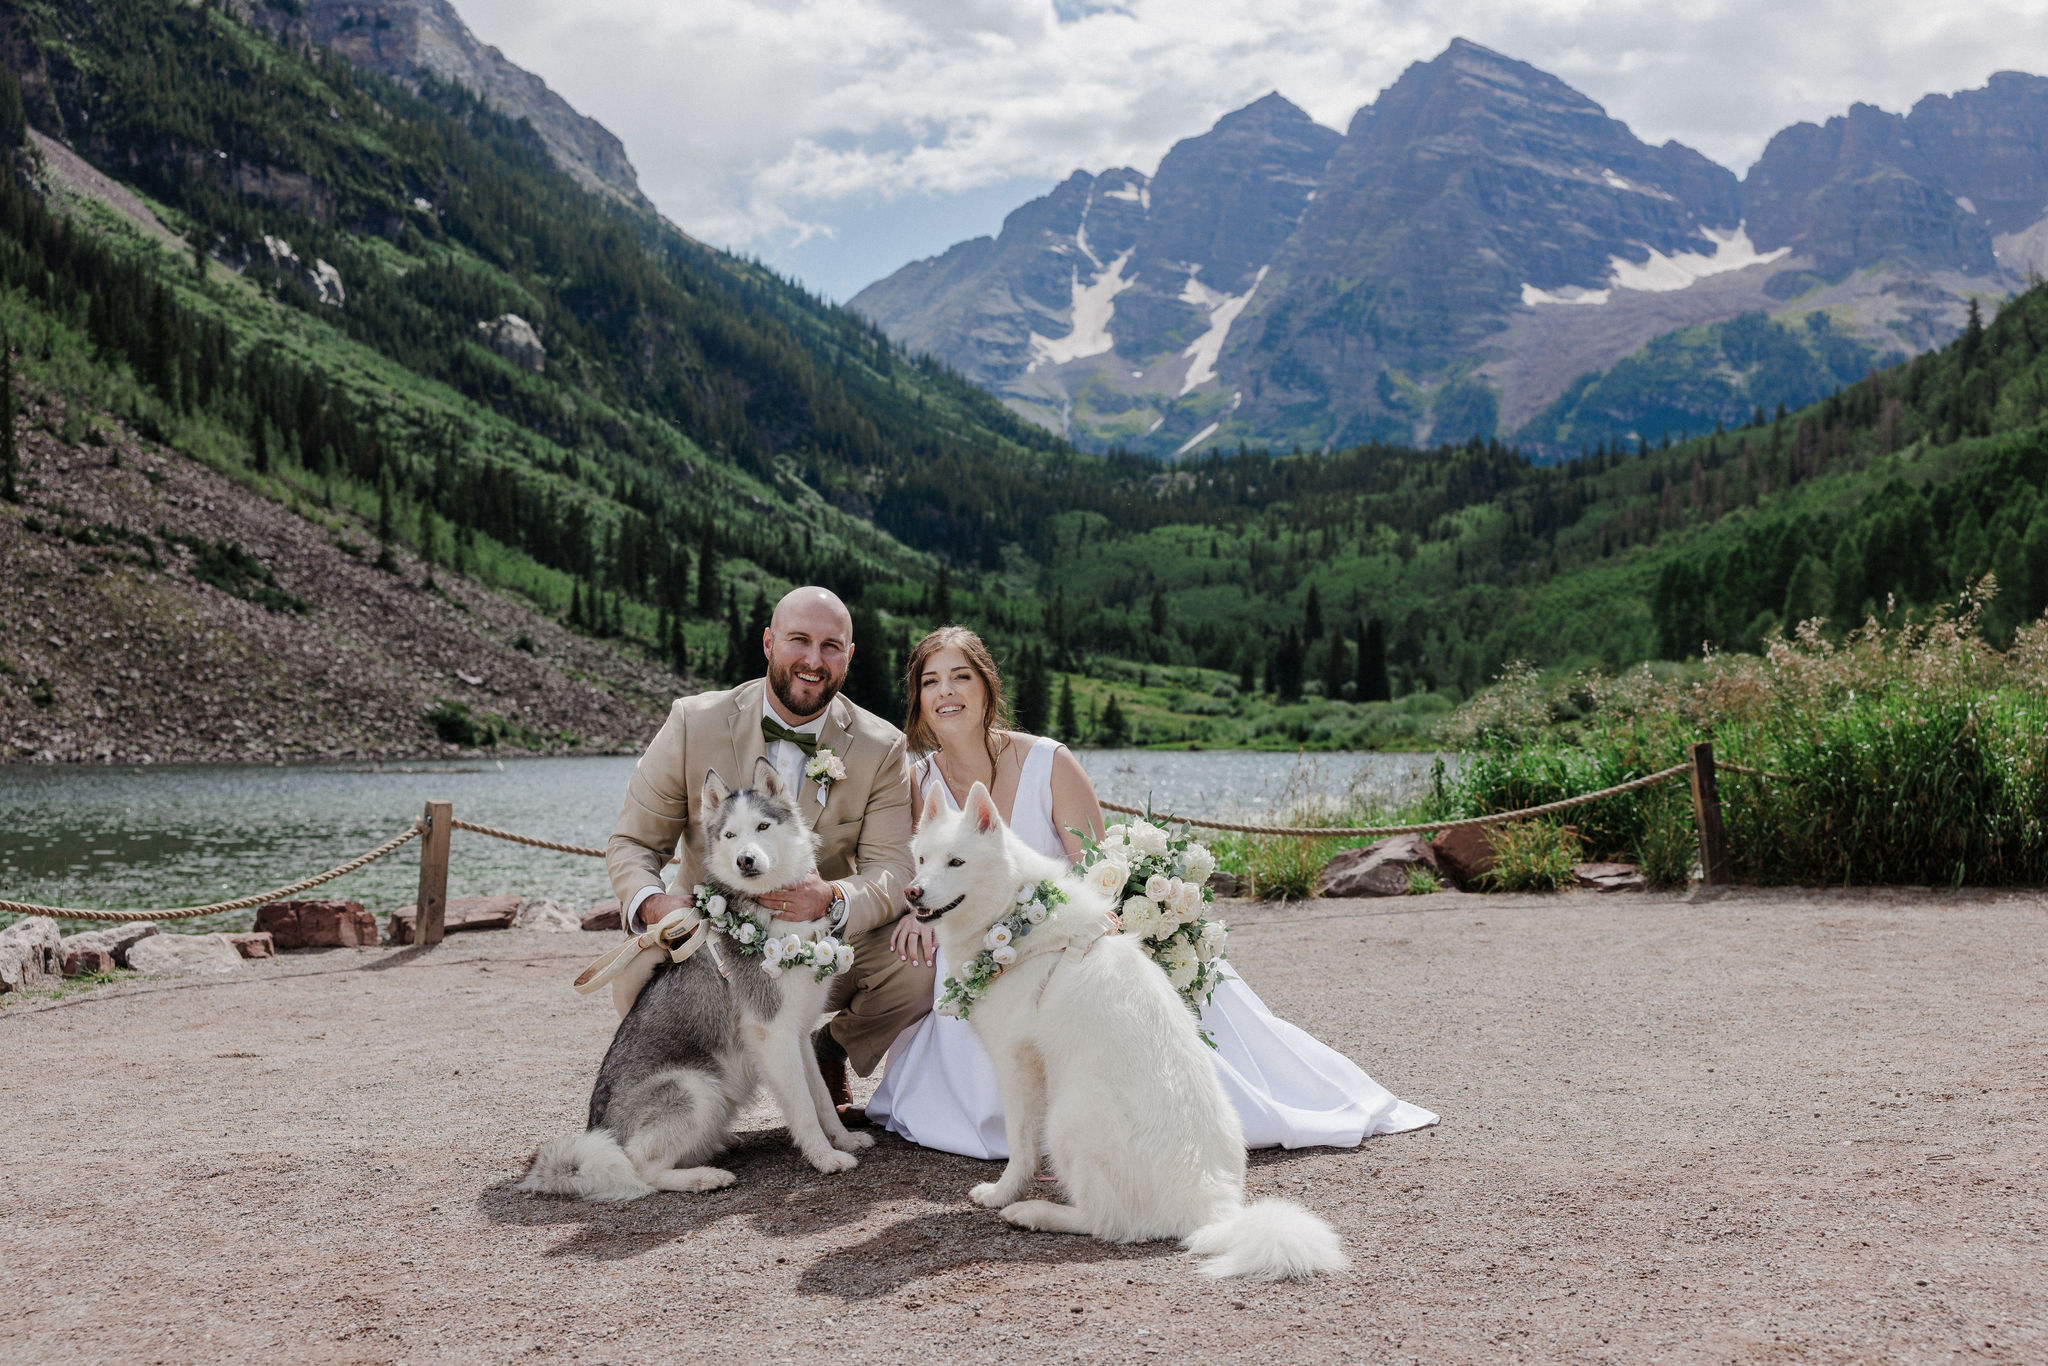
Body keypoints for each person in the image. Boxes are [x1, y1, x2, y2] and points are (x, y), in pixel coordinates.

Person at [865, 626, 1438, 1156]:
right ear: (917, 699)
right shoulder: (922, 781)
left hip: (1063, 942)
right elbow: (929, 872)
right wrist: (923, 916)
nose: (946, 693)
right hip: (983, 952)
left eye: (960, 676)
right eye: (930, 681)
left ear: (987, 686)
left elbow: (1098, 868)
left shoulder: (1047, 761)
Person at [605, 586, 928, 1112]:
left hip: (820, 943)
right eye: (798, 641)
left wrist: (832, 899)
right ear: (768, 643)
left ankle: (830, 1049)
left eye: (830, 646)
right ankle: (693, 1093)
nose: (812, 660)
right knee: (637, 973)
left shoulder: (882, 745)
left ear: (849, 655)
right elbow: (634, 842)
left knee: (915, 971)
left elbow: (892, 867)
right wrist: (657, 904)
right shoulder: (692, 722)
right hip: (710, 942)